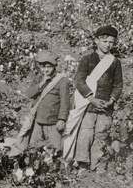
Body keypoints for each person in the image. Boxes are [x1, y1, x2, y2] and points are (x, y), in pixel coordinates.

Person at [63, 26, 123, 171]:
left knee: (101, 135)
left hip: (105, 108)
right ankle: (82, 164)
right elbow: (79, 81)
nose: (107, 44)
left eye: (111, 42)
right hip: (89, 106)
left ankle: (96, 165)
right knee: (85, 133)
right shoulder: (87, 60)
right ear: (96, 41)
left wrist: (111, 100)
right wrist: (92, 99)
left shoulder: (115, 62)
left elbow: (118, 85)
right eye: (104, 41)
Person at [9, 50, 69, 156]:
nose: (45, 70)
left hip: (53, 121)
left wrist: (62, 119)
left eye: (48, 67)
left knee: (54, 149)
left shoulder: (61, 81)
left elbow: (65, 101)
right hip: (38, 120)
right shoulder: (39, 78)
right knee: (34, 146)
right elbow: (29, 94)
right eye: (43, 67)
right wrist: (41, 84)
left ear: (54, 66)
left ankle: (53, 169)